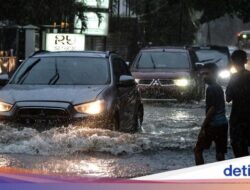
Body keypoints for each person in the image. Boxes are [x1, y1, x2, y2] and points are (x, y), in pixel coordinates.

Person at [194, 63, 228, 165]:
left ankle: (201, 176)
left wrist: (203, 127)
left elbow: (212, 109)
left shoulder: (210, 88)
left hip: (213, 125)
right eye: (203, 73)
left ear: (214, 74)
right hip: (223, 124)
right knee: (220, 154)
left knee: (197, 150)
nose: (204, 76)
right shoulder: (219, 87)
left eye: (207, 74)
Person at [226, 50, 250, 158]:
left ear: (233, 62)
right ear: (246, 61)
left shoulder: (234, 78)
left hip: (238, 118)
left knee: (239, 149)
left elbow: (228, 98)